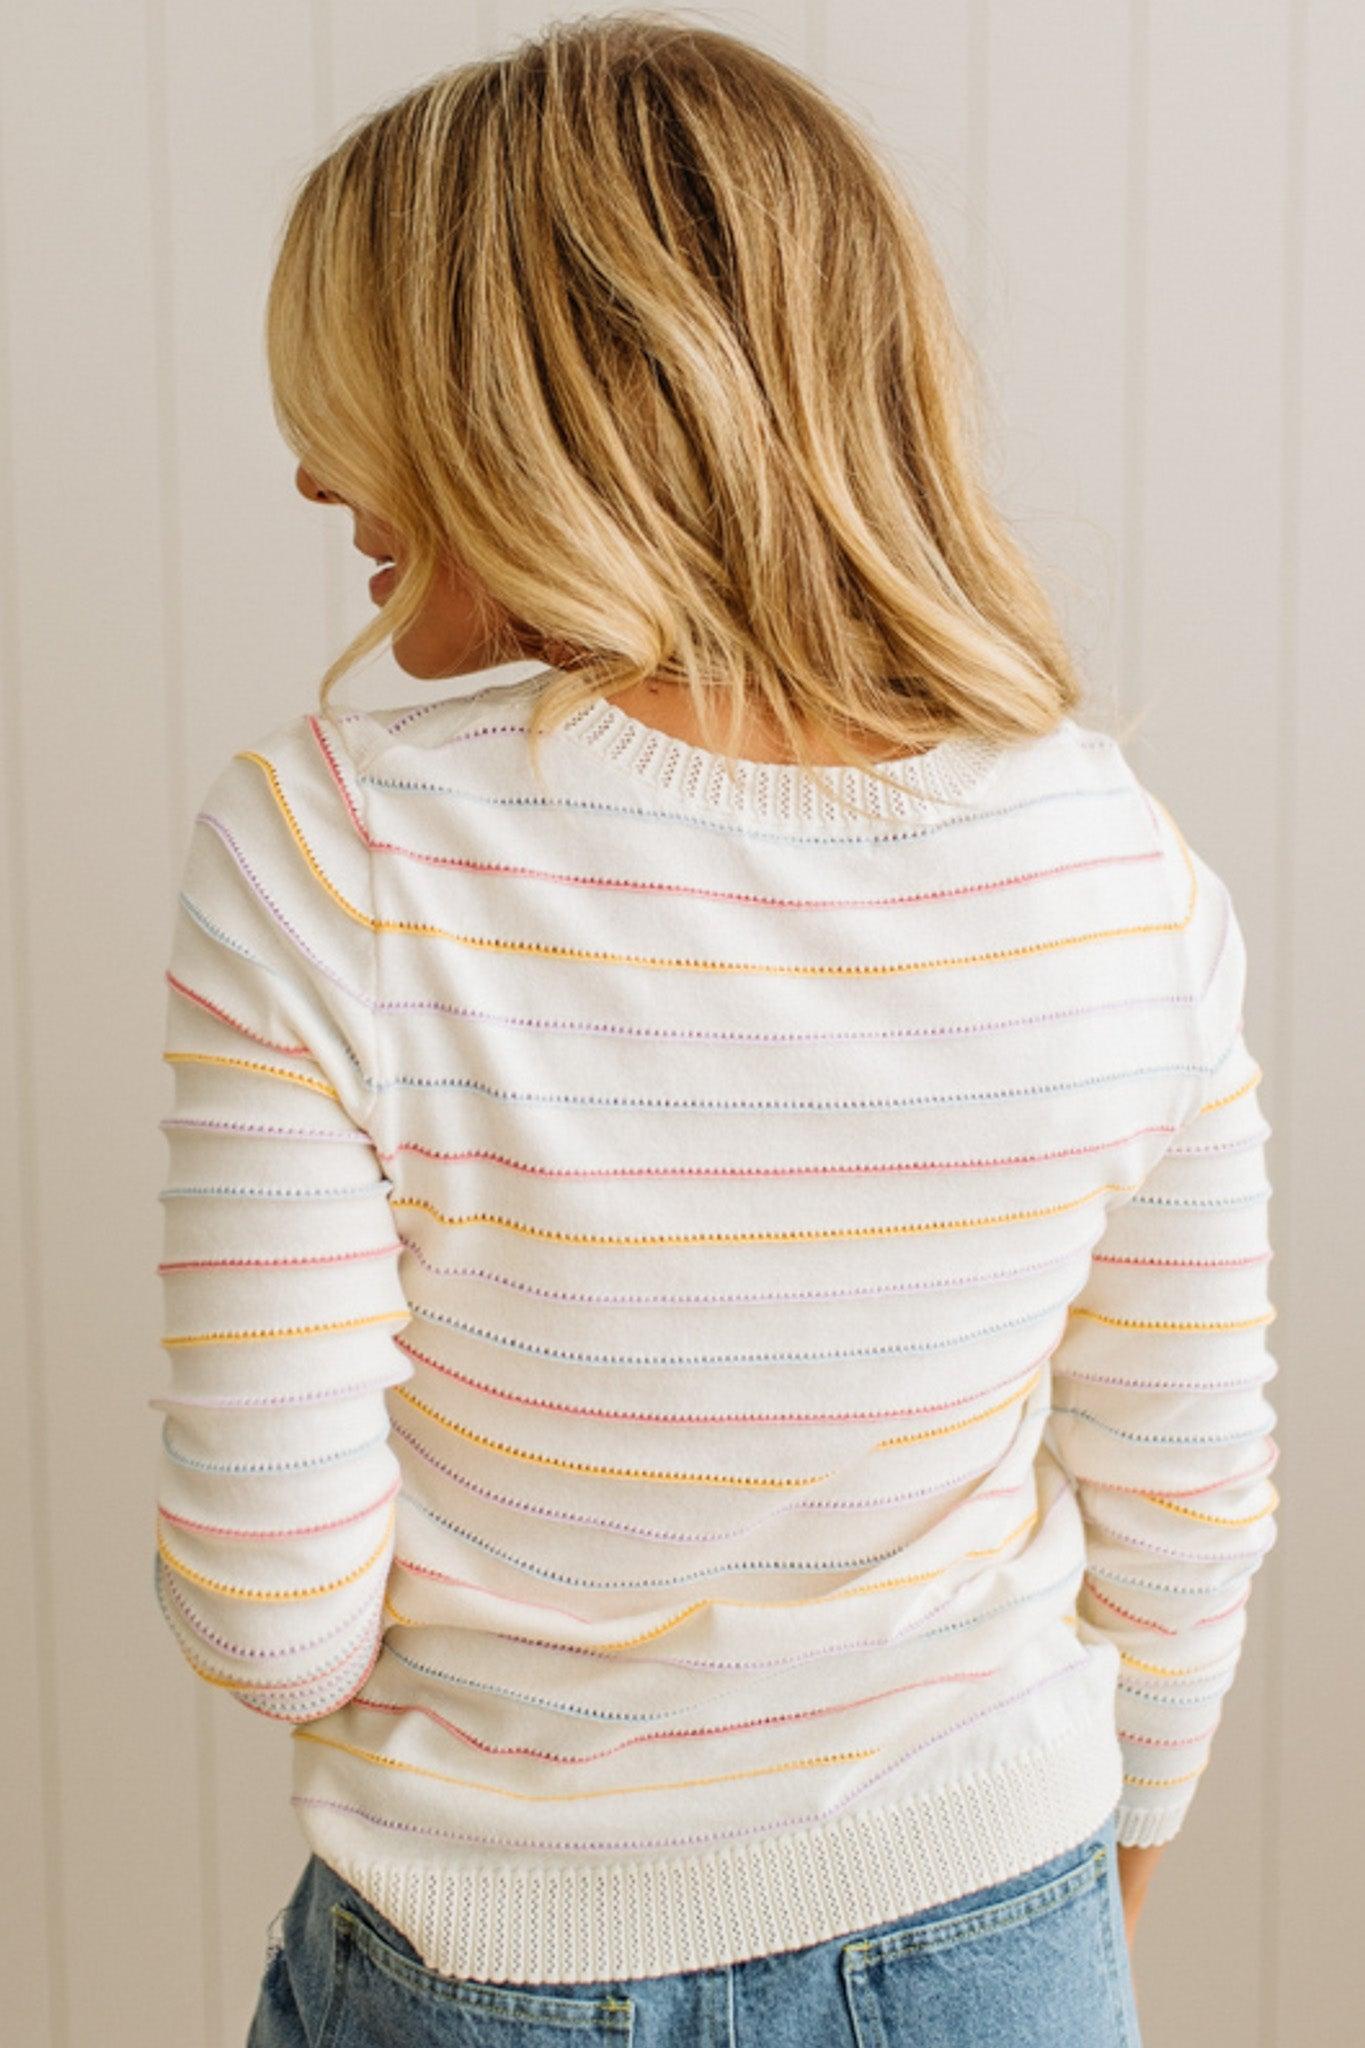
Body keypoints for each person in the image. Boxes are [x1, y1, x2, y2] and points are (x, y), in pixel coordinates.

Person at [148, 13, 1277, 2045]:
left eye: (358, 400)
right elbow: (1184, 1491)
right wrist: (1101, 1876)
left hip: (493, 1958)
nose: (312, 469)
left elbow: (273, 1609)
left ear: (547, 409)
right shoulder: (1112, 857)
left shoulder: (332, 851)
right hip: (1004, 1920)